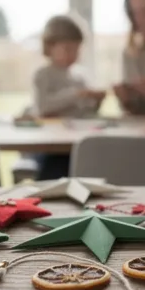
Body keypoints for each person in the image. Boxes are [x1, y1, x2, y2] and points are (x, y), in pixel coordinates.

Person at [31, 15, 105, 180]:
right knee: (57, 166)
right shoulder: (43, 75)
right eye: (67, 49)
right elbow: (42, 108)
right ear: (50, 46)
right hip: (50, 144)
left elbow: (85, 111)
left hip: (77, 140)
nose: (73, 54)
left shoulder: (80, 76)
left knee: (93, 158)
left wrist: (96, 101)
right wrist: (76, 94)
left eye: (76, 49)